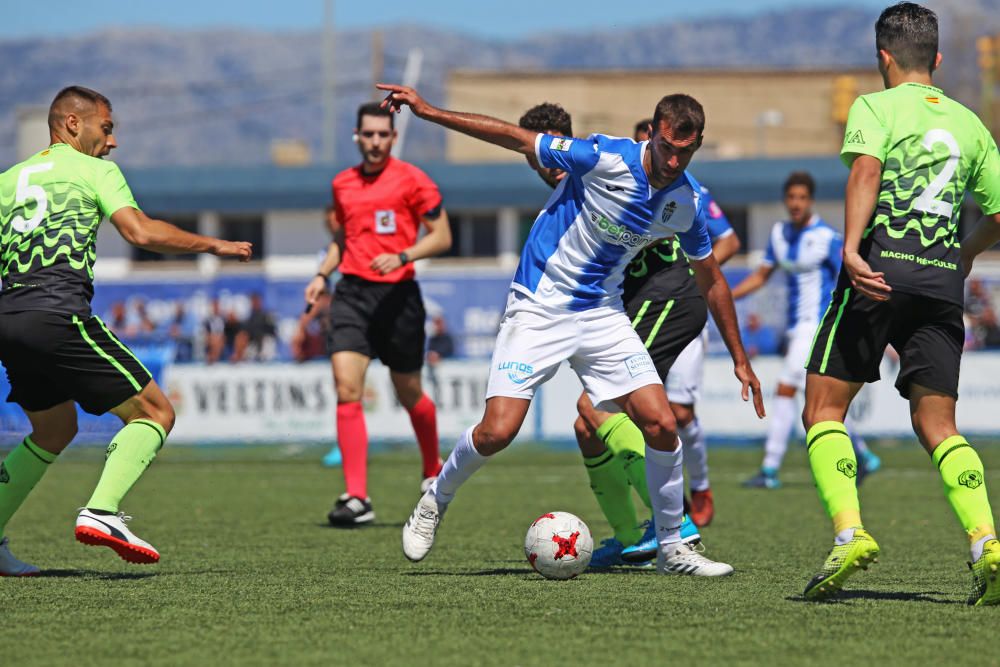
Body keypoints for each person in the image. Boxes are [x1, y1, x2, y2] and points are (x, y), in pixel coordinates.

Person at [381, 82, 765, 577]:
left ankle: (672, 547)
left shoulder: (685, 202)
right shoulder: (605, 156)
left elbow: (711, 279)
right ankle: (437, 497)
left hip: (601, 314)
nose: (674, 163)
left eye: (686, 153)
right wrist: (428, 111)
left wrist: (739, 358)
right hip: (539, 306)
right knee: (498, 431)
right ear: (653, 134)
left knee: (662, 424)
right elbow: (517, 138)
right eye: (668, 149)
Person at [0, 86, 252, 575]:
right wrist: (214, 245)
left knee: (53, 430)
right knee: (155, 411)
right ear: (73, 124)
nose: (112, 142)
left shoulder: (8, 180)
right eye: (107, 127)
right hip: (57, 313)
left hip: (8, 318)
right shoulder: (95, 170)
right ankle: (102, 511)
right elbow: (141, 232)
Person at [800, 3, 1000, 605]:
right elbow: (998, 215)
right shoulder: (972, 125)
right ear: (936, 60)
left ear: (882, 57)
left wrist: (852, 249)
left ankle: (849, 533)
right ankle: (986, 541)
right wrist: (963, 257)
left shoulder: (875, 107)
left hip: (880, 272)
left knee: (822, 411)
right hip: (941, 283)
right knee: (939, 425)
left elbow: (866, 171)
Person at [304, 102, 453, 526]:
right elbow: (341, 237)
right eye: (367, 135)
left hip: (399, 298)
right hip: (351, 293)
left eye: (382, 135)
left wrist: (403, 254)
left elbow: (442, 236)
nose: (374, 142)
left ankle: (431, 469)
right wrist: (321, 275)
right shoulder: (343, 184)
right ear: (357, 136)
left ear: (393, 137)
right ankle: (356, 497)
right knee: (346, 387)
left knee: (409, 393)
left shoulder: (413, 180)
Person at [732, 172, 878, 489]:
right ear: (786, 200)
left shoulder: (827, 237)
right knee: (821, 397)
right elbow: (761, 276)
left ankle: (770, 468)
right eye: (791, 197)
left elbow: (851, 275)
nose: (796, 203)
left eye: (802, 198)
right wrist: (726, 297)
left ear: (810, 201)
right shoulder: (780, 233)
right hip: (795, 329)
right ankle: (863, 453)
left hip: (817, 326)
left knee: (785, 389)